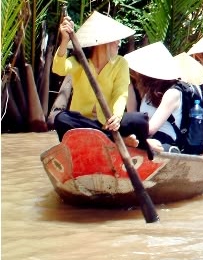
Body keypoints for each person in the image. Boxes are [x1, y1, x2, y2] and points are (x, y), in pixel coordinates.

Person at [50, 11, 151, 155]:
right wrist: (65, 41)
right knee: (62, 119)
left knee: (140, 120)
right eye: (115, 40)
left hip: (108, 123)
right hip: (83, 123)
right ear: (101, 43)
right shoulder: (80, 61)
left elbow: (120, 93)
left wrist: (116, 116)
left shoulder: (120, 63)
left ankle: (111, 138)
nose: (118, 43)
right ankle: (115, 140)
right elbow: (58, 68)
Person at [125, 42, 203, 155]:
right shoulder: (147, 90)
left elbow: (149, 130)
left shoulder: (172, 93)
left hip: (168, 143)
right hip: (189, 141)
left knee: (149, 143)